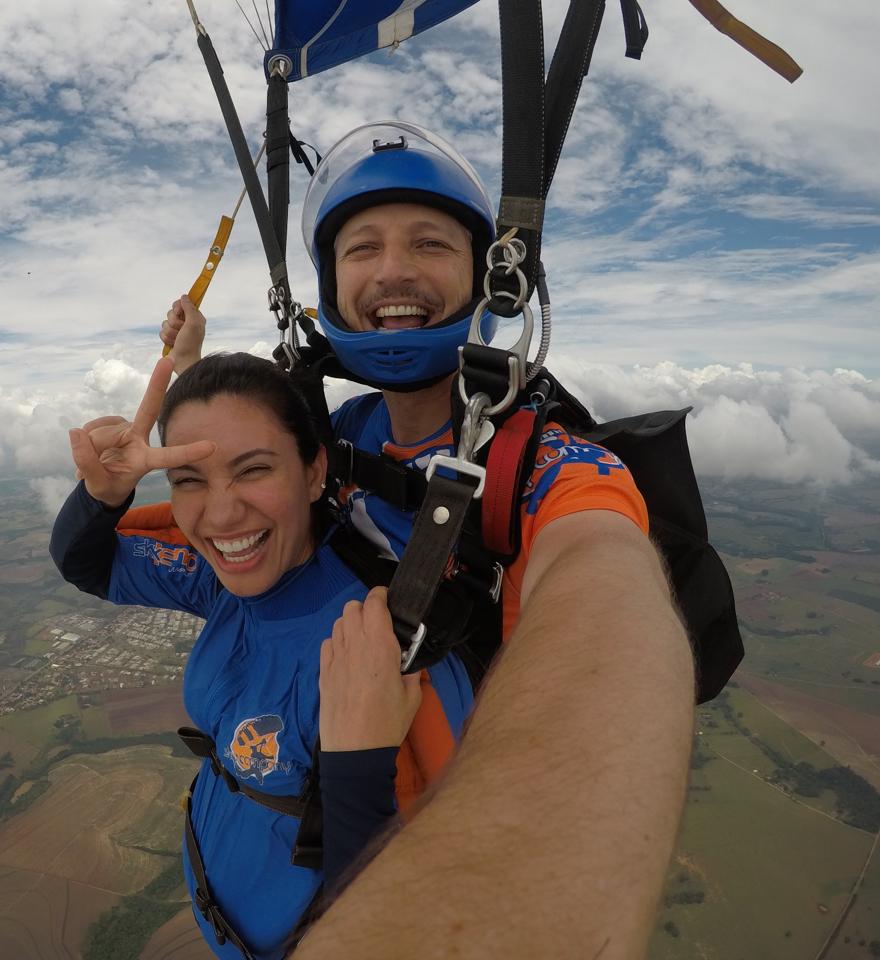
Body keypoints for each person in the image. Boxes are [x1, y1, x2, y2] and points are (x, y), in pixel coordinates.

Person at [161, 122, 696, 958]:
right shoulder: (334, 439)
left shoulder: (546, 468)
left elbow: (606, 596)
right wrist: (174, 381)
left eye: (429, 244)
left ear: (486, 274)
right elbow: (185, 512)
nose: (394, 270)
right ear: (331, 286)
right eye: (362, 247)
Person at [50, 352, 475, 959]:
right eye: (189, 480)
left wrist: (359, 759)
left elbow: (402, 918)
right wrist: (103, 494)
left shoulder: (380, 648)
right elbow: (87, 564)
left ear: (313, 472)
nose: (220, 514)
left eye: (252, 471)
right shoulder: (220, 581)